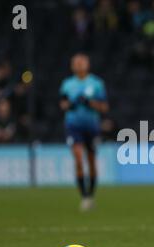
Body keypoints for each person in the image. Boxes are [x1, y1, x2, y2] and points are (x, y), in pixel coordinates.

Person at [59, 53, 109, 211]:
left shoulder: (96, 83)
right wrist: (71, 104)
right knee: (79, 159)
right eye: (76, 62)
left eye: (82, 62)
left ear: (87, 64)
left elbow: (104, 107)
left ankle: (91, 195)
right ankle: (84, 197)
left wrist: (90, 103)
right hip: (73, 126)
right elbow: (63, 105)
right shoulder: (67, 84)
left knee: (92, 162)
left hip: (91, 126)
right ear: (72, 65)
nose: (79, 65)